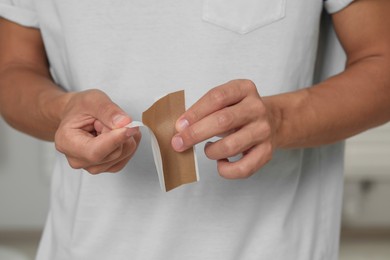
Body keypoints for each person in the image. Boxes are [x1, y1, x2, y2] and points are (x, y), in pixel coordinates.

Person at [0, 0, 389, 259]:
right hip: (84, 247)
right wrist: (63, 111)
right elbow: (12, 67)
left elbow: (382, 58)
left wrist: (281, 120)